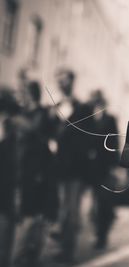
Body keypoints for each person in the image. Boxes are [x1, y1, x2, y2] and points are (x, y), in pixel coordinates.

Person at [13, 81, 59, 267]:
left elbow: (41, 136)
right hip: (24, 170)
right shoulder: (24, 114)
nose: (20, 96)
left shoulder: (41, 114)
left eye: (22, 92)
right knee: (28, 213)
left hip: (39, 170)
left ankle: (28, 254)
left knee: (35, 213)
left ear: (30, 94)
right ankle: (27, 253)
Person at [52, 68, 94, 262]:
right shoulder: (56, 106)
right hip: (57, 168)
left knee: (71, 211)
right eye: (58, 80)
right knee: (61, 210)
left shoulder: (83, 107)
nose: (61, 83)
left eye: (64, 79)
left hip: (75, 170)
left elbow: (89, 139)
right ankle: (62, 247)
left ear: (71, 82)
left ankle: (68, 251)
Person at [86, 89, 119, 249]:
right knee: (96, 203)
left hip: (106, 167)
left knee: (104, 202)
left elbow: (114, 143)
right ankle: (99, 230)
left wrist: (115, 166)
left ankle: (102, 235)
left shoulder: (110, 119)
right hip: (92, 169)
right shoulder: (89, 119)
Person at [0, 87, 20, 267]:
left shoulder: (12, 125)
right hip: (9, 179)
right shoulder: (12, 125)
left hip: (9, 179)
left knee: (7, 218)